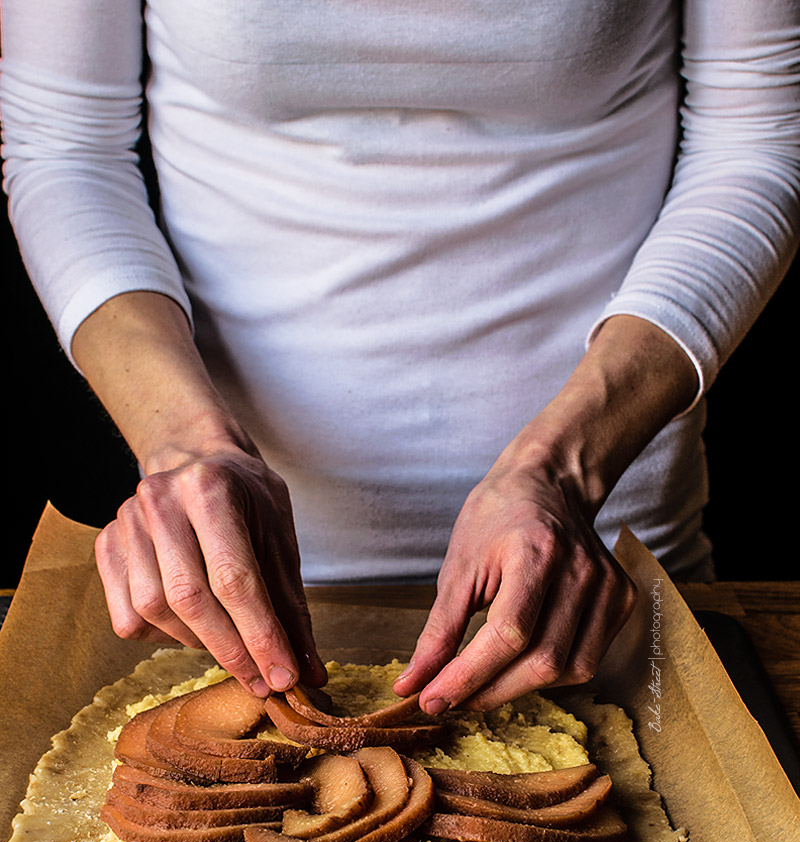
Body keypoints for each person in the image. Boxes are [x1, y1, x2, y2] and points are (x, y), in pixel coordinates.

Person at [2, 2, 799, 712]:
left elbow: (757, 144)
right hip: (220, 572)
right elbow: (65, 151)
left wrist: (563, 468)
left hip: (596, 555)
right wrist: (182, 443)